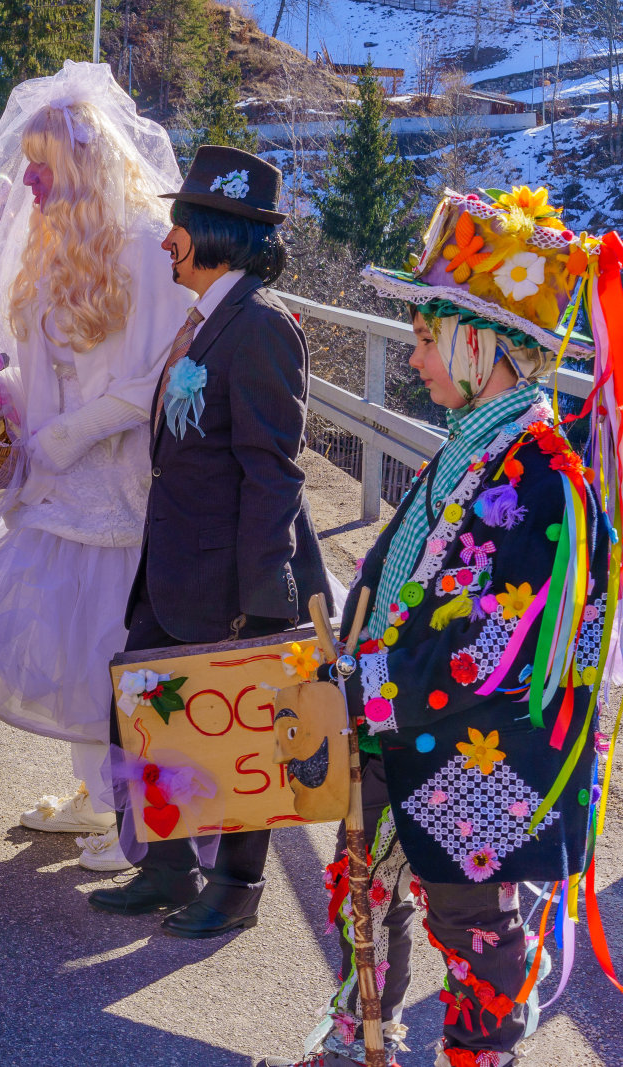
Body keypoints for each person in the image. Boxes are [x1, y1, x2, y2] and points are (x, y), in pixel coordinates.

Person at [257, 186, 610, 1067]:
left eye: (423, 337)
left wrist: (363, 684)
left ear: (481, 341)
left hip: (478, 755)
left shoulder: (545, 479)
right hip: (399, 728)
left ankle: (476, 1055)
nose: (413, 357)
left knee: (480, 932)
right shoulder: (473, 445)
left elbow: (491, 645)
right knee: (363, 894)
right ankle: (361, 1026)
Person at [0, 62, 192, 873]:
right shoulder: (50, 243)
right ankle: (96, 794)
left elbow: (159, 377)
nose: (25, 178)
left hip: (120, 483)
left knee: (112, 646)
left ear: (80, 163)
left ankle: (135, 809)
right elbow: (44, 372)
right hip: (57, 477)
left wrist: (71, 433)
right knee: (72, 652)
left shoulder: (142, 245)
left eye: (40, 163)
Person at [85, 145, 331, 936]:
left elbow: (273, 472)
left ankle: (235, 887)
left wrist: (264, 599)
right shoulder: (207, 319)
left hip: (228, 574)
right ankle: (164, 865)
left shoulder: (260, 327)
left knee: (241, 723)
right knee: (148, 708)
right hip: (171, 567)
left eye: (177, 227)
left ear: (213, 232)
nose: (166, 242)